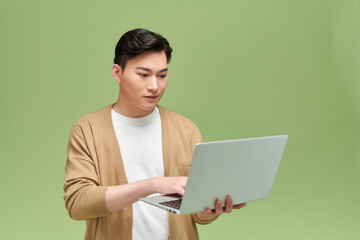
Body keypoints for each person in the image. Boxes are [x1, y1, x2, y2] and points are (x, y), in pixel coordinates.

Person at [63, 28, 246, 240]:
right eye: (143, 75)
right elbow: (77, 203)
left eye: (162, 75)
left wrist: (207, 210)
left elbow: (195, 214)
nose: (154, 86)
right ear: (117, 73)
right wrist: (152, 185)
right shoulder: (88, 129)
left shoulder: (186, 130)